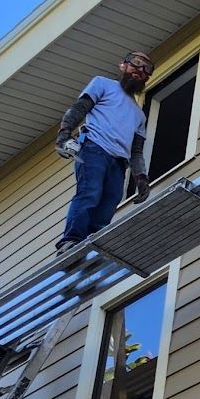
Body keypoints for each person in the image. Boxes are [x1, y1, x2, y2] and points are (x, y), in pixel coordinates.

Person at [53, 51, 155, 255]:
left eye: (146, 68)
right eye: (136, 63)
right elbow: (80, 108)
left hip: (119, 163)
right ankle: (71, 241)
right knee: (89, 193)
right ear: (122, 66)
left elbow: (136, 151)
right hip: (94, 149)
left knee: (109, 204)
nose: (140, 70)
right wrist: (64, 134)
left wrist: (141, 178)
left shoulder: (139, 116)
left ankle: (91, 248)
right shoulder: (103, 84)